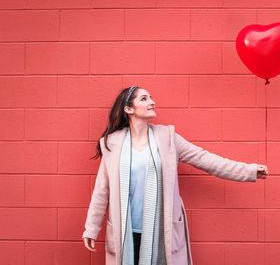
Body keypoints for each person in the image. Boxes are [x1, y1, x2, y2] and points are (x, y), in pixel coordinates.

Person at [82, 85, 269, 265]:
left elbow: (206, 159)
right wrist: (91, 228)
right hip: (125, 231)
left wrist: (248, 171)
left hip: (161, 231)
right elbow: (101, 191)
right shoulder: (112, 144)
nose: (152, 102)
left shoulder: (168, 138)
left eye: (151, 97)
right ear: (129, 109)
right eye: (144, 99)